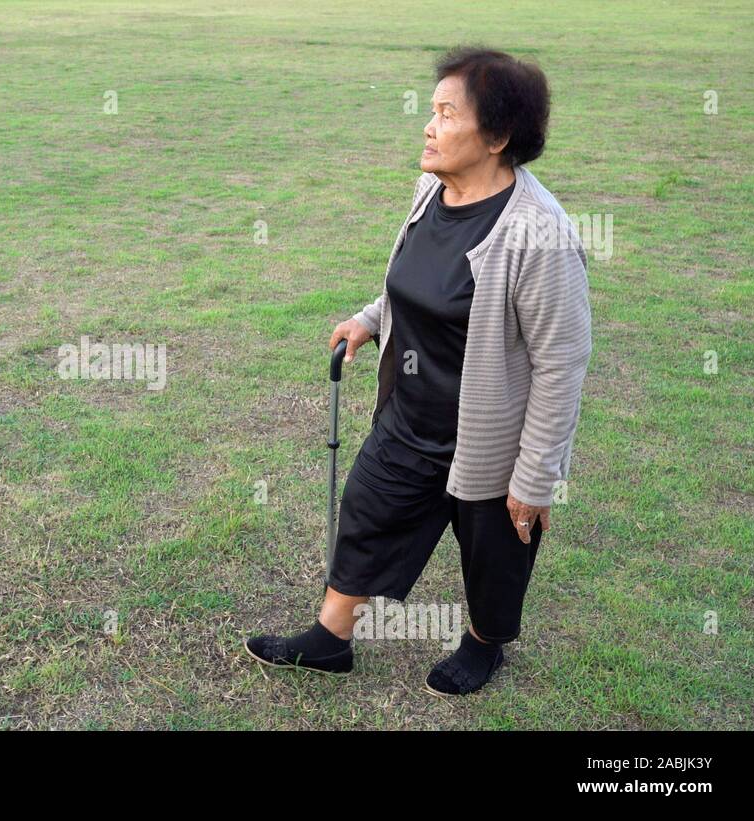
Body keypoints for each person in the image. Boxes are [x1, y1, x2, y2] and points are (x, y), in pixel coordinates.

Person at [244, 46, 593, 696]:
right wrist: (372, 319)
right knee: (367, 510)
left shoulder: (539, 235)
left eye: (444, 114)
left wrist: (537, 474)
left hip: (490, 436)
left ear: (497, 136)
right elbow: (417, 281)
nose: (428, 128)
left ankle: (484, 643)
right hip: (412, 412)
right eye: (430, 112)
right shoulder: (432, 190)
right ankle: (330, 639)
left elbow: (561, 363)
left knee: (494, 551)